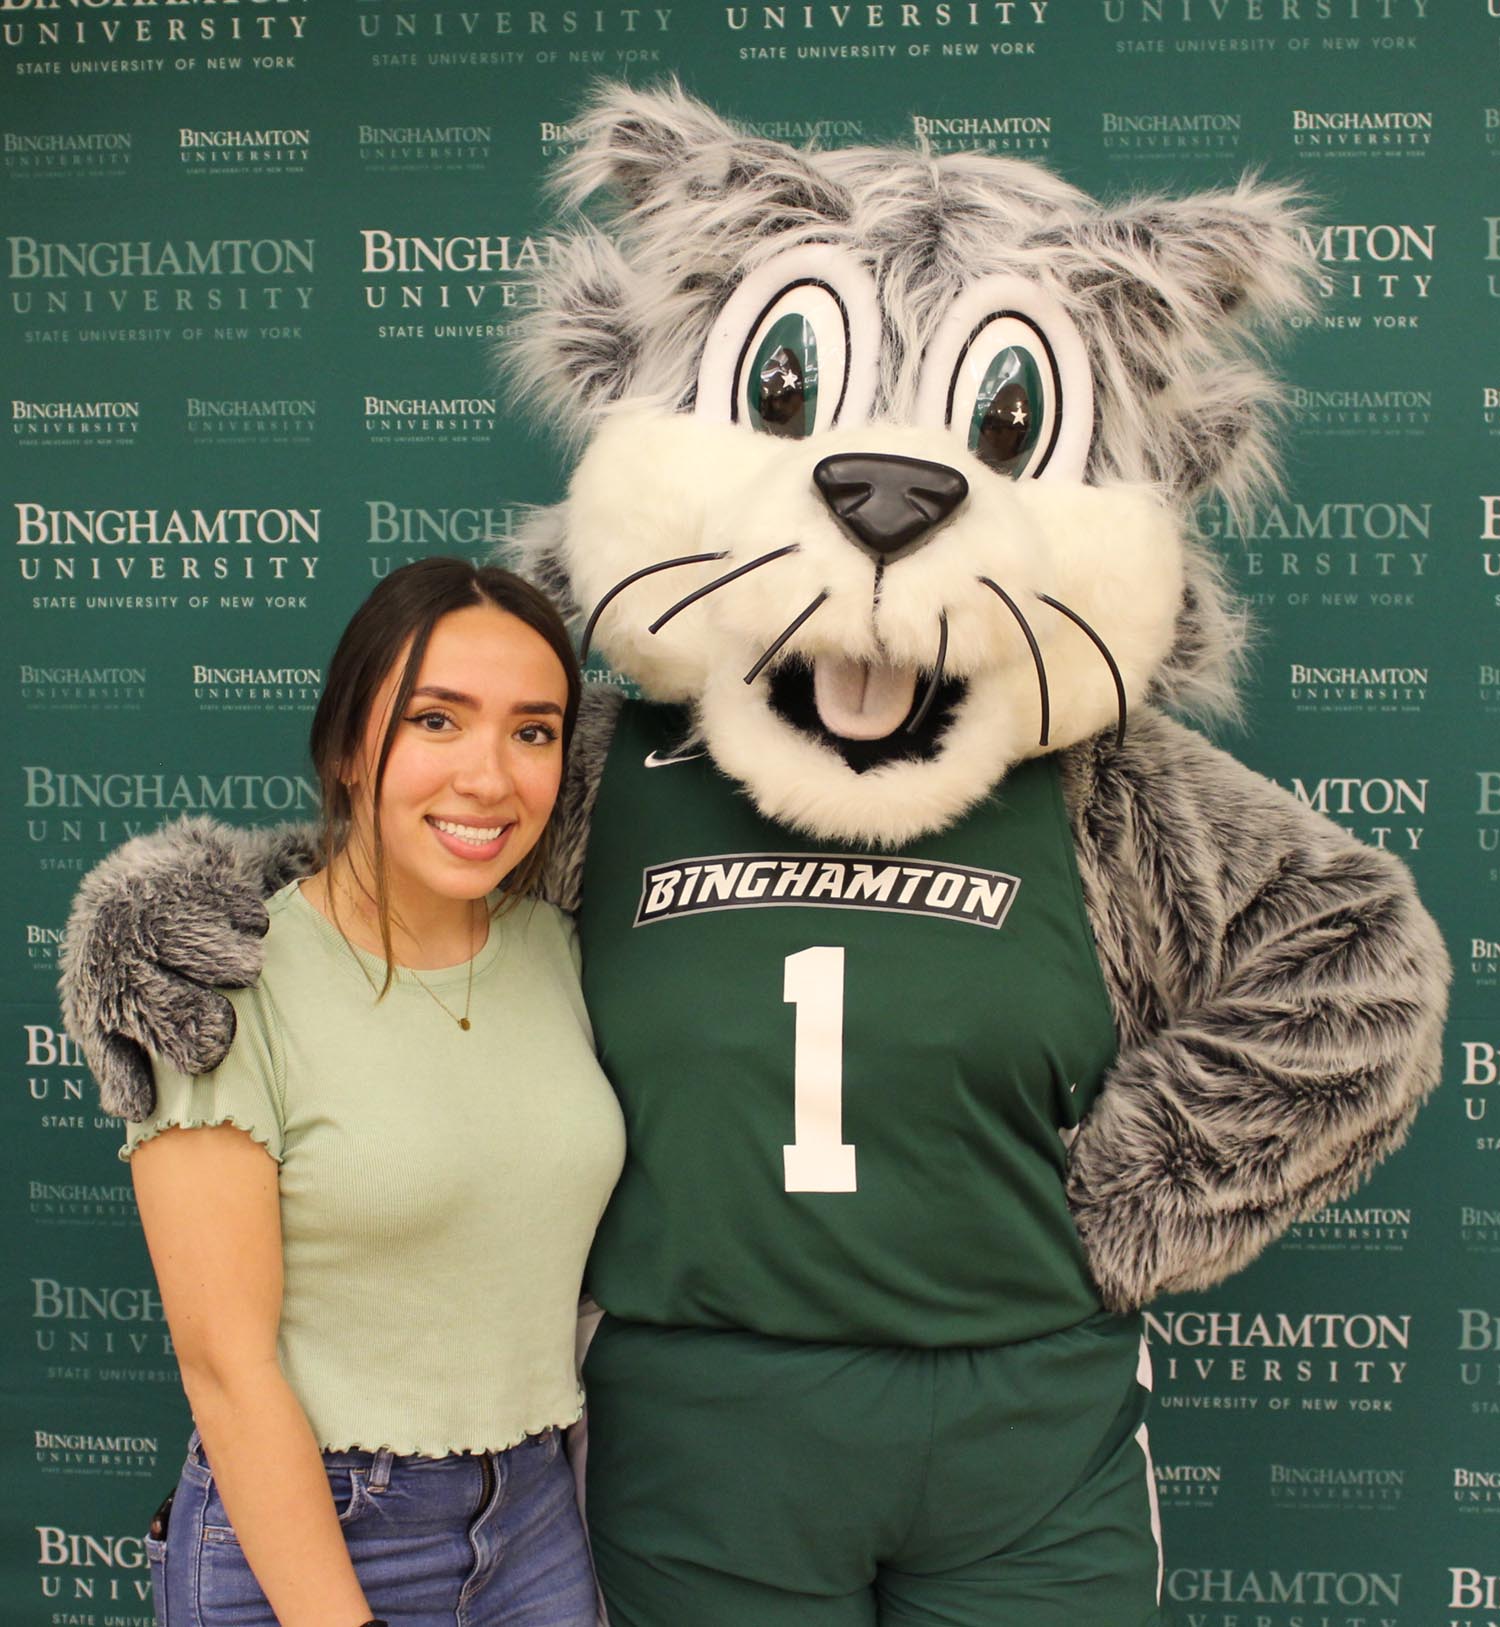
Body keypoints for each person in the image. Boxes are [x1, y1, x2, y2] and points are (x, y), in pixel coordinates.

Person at [124, 557, 625, 1627]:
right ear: (350, 744)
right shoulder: (221, 983)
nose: (490, 776)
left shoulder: (563, 950)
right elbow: (226, 1367)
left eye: (533, 731)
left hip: (537, 1518)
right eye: (436, 720)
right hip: (312, 1530)